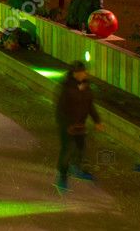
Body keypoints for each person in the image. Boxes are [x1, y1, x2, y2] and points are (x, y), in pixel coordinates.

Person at [55, 61, 104, 192]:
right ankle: (62, 176)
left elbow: (90, 104)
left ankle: (77, 168)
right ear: (75, 74)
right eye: (82, 72)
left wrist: (97, 120)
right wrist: (67, 125)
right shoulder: (67, 88)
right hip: (68, 126)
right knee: (67, 150)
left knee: (81, 148)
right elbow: (60, 110)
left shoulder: (86, 86)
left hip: (80, 125)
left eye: (84, 71)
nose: (85, 73)